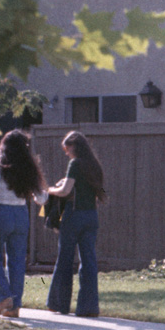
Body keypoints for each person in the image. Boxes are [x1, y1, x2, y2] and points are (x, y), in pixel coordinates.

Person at [0, 129, 48, 318]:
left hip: (0, 212)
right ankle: (14, 307)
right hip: (21, 213)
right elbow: (41, 198)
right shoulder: (28, 167)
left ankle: (3, 297)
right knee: (17, 262)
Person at [46, 131, 106, 317]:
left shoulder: (75, 164)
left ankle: (59, 304)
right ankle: (88, 308)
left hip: (74, 215)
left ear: (74, 145)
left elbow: (65, 191)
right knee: (89, 261)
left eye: (67, 148)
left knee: (65, 259)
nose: (66, 152)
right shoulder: (94, 165)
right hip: (91, 216)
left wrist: (48, 190)